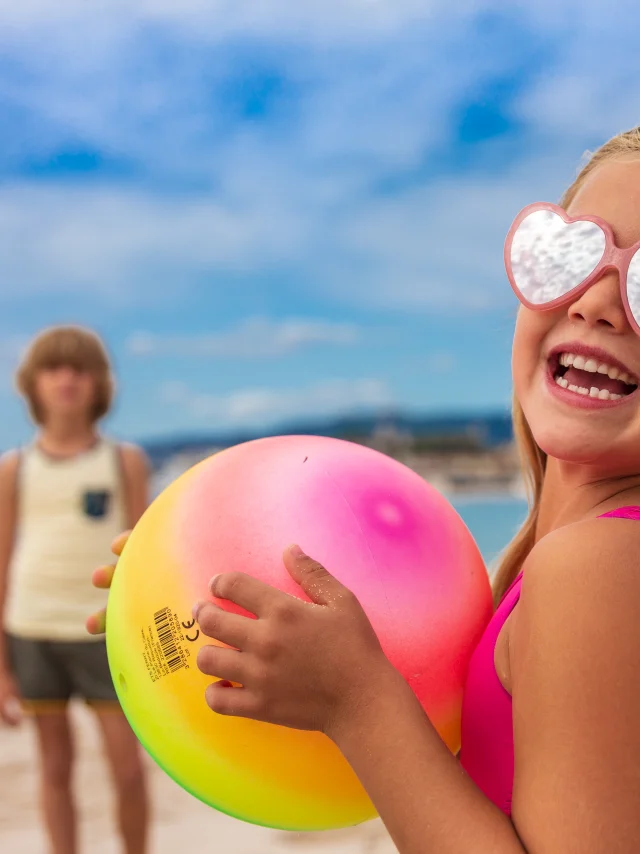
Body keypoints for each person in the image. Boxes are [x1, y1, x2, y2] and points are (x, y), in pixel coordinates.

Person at [89, 126, 640, 853]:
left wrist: (360, 701)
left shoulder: (600, 567)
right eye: (570, 255)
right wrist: (179, 575)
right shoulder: (569, 559)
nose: (596, 303)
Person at [0, 326, 150, 854]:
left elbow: (145, 558)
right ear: (32, 384)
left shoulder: (123, 461)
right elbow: (1, 561)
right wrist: (1, 666)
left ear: (99, 383)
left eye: (80, 368)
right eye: (53, 368)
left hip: (104, 632)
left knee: (128, 769)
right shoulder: (14, 468)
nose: (67, 378)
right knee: (54, 768)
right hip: (32, 629)